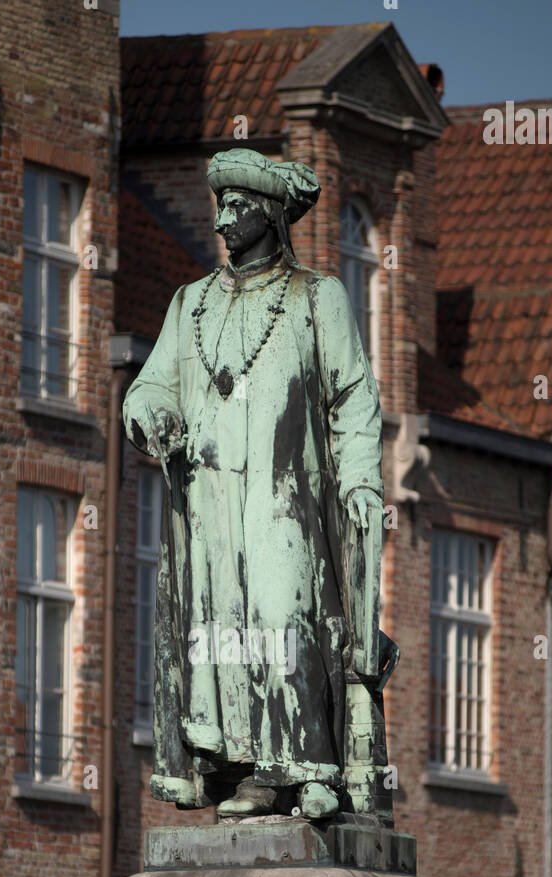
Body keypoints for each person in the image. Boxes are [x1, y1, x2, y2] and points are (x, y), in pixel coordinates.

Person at [123, 148, 385, 819]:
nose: (224, 218)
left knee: (281, 615)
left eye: (239, 205)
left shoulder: (316, 297)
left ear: (270, 215)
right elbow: (151, 384)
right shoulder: (190, 303)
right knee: (220, 630)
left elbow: (352, 400)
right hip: (207, 503)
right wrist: (150, 414)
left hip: (283, 498)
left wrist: (360, 484)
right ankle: (240, 767)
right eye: (221, 204)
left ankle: (305, 765)